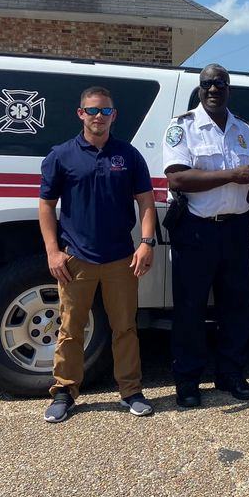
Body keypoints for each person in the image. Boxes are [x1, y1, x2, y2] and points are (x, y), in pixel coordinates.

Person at [39, 86, 157, 423]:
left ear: (113, 115)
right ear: (80, 114)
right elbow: (46, 206)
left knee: (125, 328)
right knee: (71, 329)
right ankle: (64, 392)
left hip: (121, 257)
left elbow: (146, 202)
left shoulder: (129, 155)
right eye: (92, 111)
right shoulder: (61, 155)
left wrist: (146, 242)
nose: (98, 117)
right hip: (76, 257)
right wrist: (52, 251)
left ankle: (131, 392)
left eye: (105, 111)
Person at [163, 64, 249, 408]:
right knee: (190, 309)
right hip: (196, 230)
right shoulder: (183, 127)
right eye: (207, 83)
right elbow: (177, 179)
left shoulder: (244, 129)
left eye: (219, 83)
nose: (213, 89)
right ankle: (189, 382)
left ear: (228, 88)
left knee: (237, 308)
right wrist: (230, 175)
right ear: (199, 88)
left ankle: (231, 374)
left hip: (237, 230)